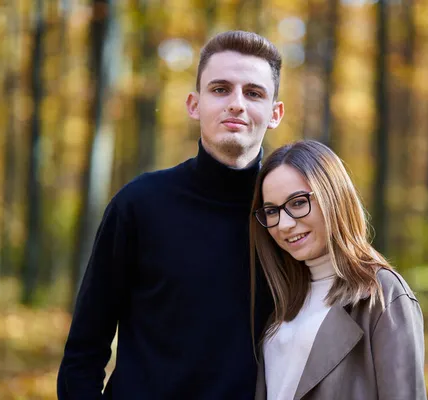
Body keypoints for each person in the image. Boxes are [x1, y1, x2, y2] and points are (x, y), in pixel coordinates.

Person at [57, 30, 284, 399]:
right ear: (194, 104)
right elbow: (84, 350)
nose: (236, 104)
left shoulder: (291, 219)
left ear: (275, 113)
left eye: (253, 93)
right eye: (220, 89)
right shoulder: (139, 204)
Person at [250, 140, 426, 400]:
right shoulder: (282, 300)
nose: (284, 224)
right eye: (272, 210)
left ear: (333, 197)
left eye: (298, 203)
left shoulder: (382, 294)